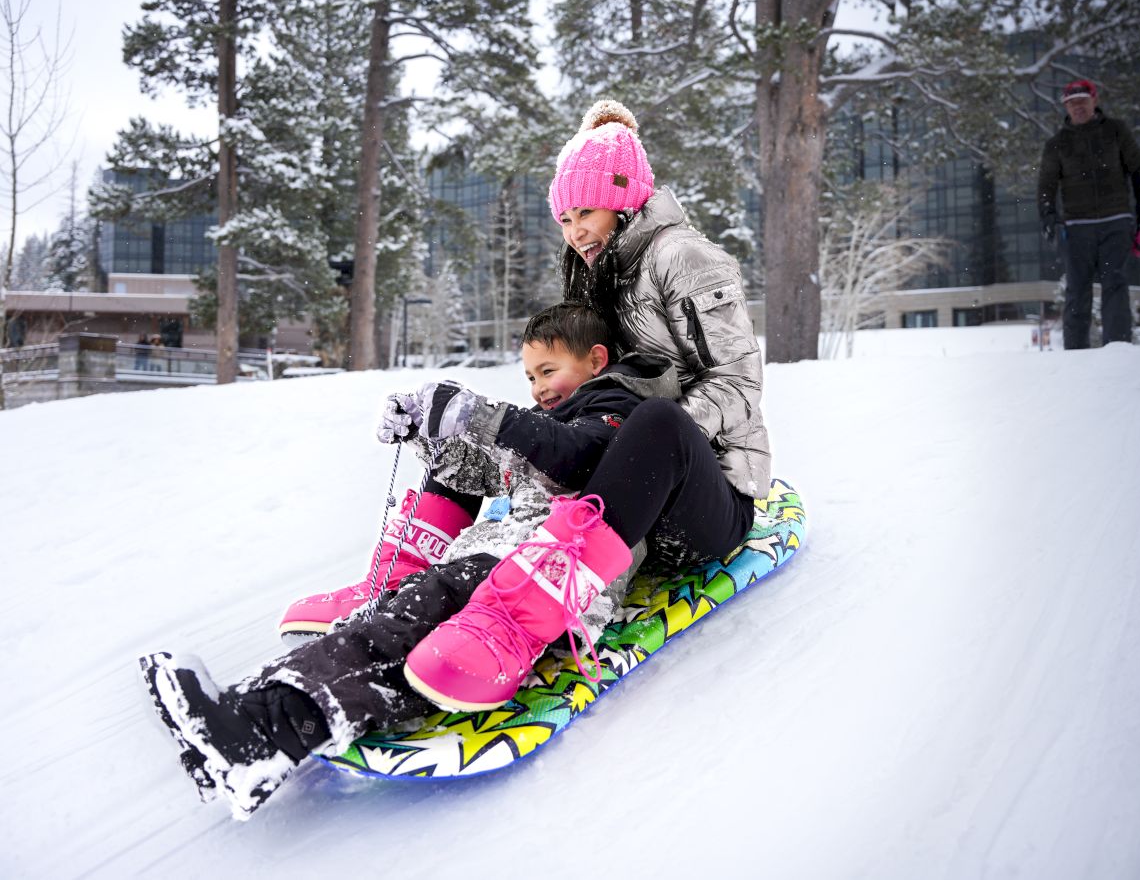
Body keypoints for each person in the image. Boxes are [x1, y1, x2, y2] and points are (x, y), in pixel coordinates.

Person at [141, 302, 680, 819]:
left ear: (596, 361)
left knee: (399, 630)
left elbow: (575, 452)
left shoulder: (618, 416)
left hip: (541, 578)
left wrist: (487, 417)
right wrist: (430, 435)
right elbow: (483, 474)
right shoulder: (552, 423)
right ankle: (246, 727)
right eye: (530, 377)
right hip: (501, 562)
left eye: (549, 369)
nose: (538, 387)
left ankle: (262, 731)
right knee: (392, 623)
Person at [399, 99, 771, 713]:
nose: (575, 231)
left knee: (650, 422)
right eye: (565, 217)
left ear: (625, 200)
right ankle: (410, 577)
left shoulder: (687, 258)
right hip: (622, 473)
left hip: (702, 496)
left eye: (587, 212)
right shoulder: (593, 268)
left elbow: (738, 386)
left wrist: (633, 437)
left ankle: (535, 611)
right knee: (493, 434)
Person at [1037, 78, 1140, 349]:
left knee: (1114, 284)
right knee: (1077, 291)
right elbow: (1046, 186)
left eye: (1083, 101)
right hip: (1076, 226)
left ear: (1095, 101)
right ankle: (1075, 355)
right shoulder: (1056, 144)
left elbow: (1139, 172)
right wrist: (1048, 217)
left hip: (1115, 221)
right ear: (1066, 108)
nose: (1078, 107)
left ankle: (1117, 350)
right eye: (1072, 103)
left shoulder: (1116, 132)